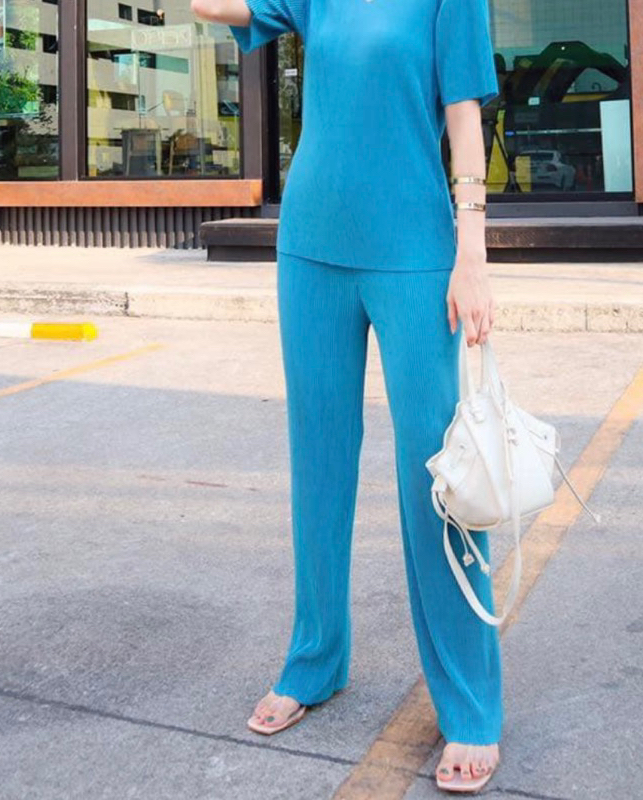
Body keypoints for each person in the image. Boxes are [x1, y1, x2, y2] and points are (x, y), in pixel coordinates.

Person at [190, 0, 503, 791]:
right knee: (319, 464)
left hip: (413, 251)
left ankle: (470, 702)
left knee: (437, 478)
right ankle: (316, 659)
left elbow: (465, 117)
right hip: (310, 246)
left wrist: (472, 253)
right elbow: (206, 4)